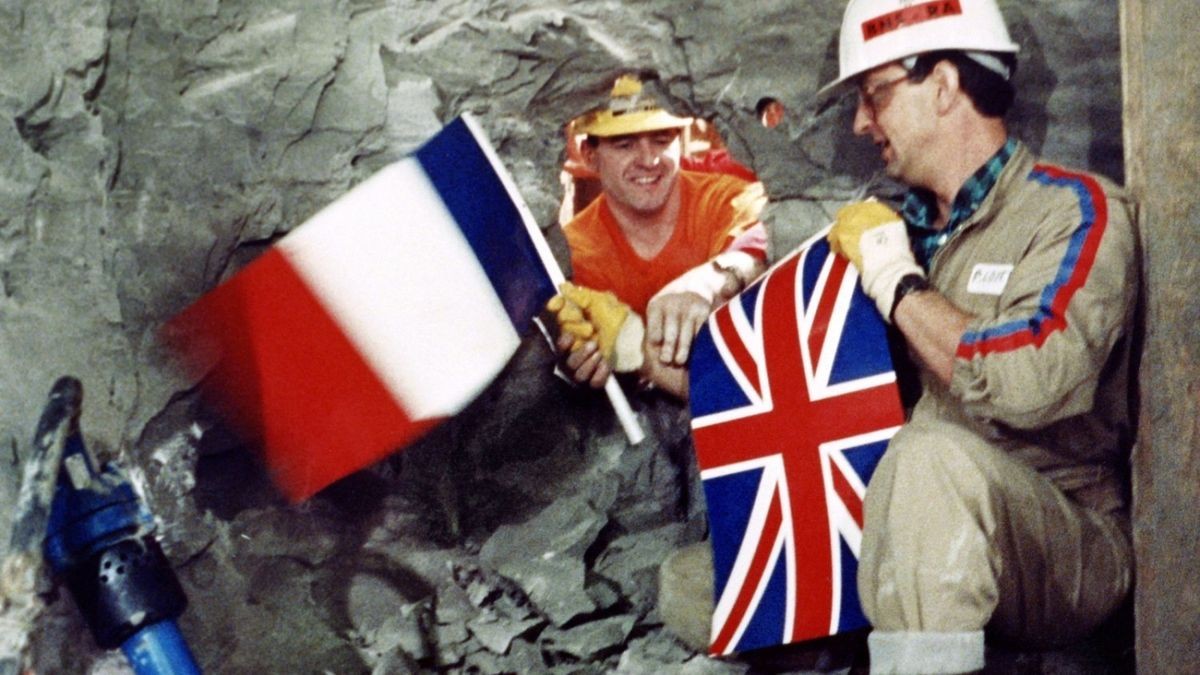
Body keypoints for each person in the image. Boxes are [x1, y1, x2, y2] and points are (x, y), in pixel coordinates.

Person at [817, 0, 1137, 672]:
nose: (860, 122)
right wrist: (654, 341)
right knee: (699, 586)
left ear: (943, 86)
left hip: (1063, 538)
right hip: (925, 532)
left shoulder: (1073, 210)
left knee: (927, 460)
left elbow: (1038, 377)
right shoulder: (893, 230)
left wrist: (898, 283)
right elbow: (799, 380)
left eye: (875, 94)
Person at [547, 73, 768, 395]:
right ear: (590, 156)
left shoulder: (727, 200)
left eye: (661, 140)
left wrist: (716, 276)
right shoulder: (576, 255)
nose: (649, 160)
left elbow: (775, 245)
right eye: (624, 145)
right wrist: (592, 359)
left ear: (681, 141)